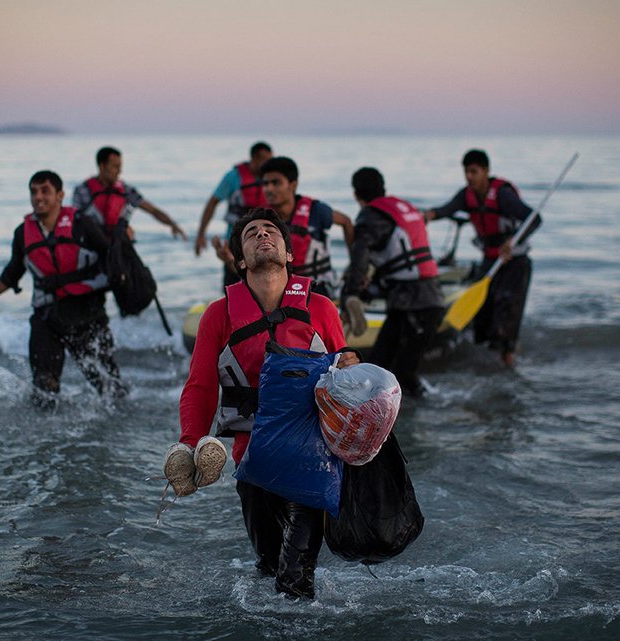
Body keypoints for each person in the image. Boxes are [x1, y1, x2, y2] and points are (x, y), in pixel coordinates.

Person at [166, 207, 360, 599]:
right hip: (252, 461)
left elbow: (348, 387)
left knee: (294, 585)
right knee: (269, 567)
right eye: (251, 233)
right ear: (240, 260)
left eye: (271, 230)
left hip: (313, 461)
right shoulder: (218, 315)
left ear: (289, 253)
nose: (262, 235)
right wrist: (190, 442)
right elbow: (200, 386)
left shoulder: (321, 308)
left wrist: (353, 368)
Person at [0, 170, 125, 407]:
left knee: (107, 385)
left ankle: (116, 427)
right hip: (47, 318)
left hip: (87, 315)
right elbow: (11, 274)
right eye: (33, 191)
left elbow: (112, 257)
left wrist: (123, 242)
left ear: (60, 195)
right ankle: (46, 440)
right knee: (44, 389)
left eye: (45, 191)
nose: (38, 197)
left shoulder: (82, 224)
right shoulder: (22, 233)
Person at [426, 149, 537, 367]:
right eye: (466, 172)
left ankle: (509, 359)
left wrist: (512, 240)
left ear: (486, 171)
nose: (469, 177)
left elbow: (534, 218)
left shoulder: (503, 195)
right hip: (490, 260)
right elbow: (447, 209)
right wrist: (426, 215)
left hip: (515, 262)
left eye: (474, 172)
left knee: (508, 310)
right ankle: (490, 355)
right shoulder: (467, 194)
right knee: (484, 312)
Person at [341, 167, 444, 398]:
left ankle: (420, 416)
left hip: (416, 305)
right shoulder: (402, 209)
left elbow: (360, 260)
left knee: (402, 375)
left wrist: (351, 295)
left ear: (357, 195)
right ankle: (388, 418)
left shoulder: (369, 218)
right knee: (378, 368)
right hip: (424, 300)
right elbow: (395, 262)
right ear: (383, 189)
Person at [214, 156, 353, 298]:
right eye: (266, 183)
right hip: (277, 291)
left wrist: (353, 265)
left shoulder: (316, 211)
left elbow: (346, 222)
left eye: (276, 183)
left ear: (293, 185)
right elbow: (252, 271)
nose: (268, 189)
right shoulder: (260, 220)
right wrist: (228, 259)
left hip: (317, 287)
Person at [195, 142, 273, 287]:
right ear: (254, 158)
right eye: (264, 159)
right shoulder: (233, 177)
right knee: (234, 284)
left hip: (263, 242)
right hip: (236, 242)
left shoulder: (271, 180)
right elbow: (212, 203)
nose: (268, 164)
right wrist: (201, 234)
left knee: (262, 283)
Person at [73, 146, 187, 241]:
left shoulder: (126, 191)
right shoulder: (82, 190)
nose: (119, 171)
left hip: (119, 245)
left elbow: (152, 210)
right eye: (115, 167)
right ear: (102, 166)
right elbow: (75, 221)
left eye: (120, 167)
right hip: (92, 244)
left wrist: (172, 224)